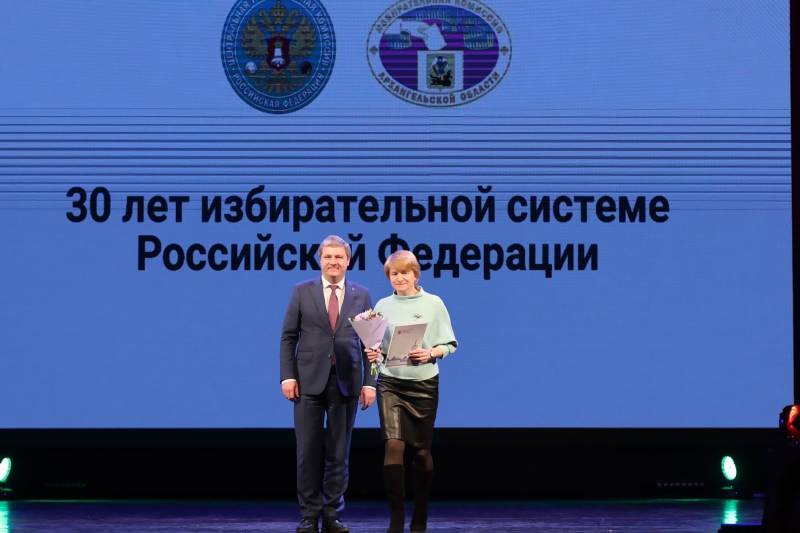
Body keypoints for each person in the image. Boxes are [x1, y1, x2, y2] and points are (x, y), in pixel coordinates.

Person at [280, 235, 376, 533]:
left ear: (348, 261)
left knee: (338, 452)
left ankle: (332, 514)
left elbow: (371, 342)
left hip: (347, 382)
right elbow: (289, 337)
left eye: (339, 257)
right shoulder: (302, 291)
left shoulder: (362, 295)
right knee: (308, 452)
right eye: (328, 257)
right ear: (319, 260)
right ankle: (309, 515)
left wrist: (370, 382)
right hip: (307, 382)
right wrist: (288, 375)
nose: (333, 262)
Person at [365, 250, 458, 533]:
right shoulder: (382, 306)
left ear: (416, 274)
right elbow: (379, 349)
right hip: (391, 383)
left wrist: (431, 353)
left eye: (405, 272)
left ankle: (420, 510)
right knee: (393, 445)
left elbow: (450, 344)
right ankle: (396, 519)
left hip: (423, 384)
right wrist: (374, 355)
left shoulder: (434, 303)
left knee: (421, 452)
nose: (400, 278)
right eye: (394, 273)